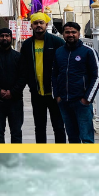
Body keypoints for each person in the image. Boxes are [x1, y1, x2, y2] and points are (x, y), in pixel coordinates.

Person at [53, 20, 99, 144]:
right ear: (63, 34)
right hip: (64, 101)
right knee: (72, 137)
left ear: (79, 34)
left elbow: (97, 76)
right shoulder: (59, 52)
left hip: (81, 102)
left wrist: (87, 99)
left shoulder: (88, 52)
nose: (70, 35)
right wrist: (57, 96)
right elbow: (54, 74)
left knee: (86, 138)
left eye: (73, 32)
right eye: (67, 32)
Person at [19, 12, 66, 143]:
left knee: (58, 126)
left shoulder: (57, 42)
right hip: (37, 92)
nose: (38, 25)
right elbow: (24, 67)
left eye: (41, 23)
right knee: (39, 126)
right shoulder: (27, 44)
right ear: (31, 26)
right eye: (35, 23)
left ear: (46, 24)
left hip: (54, 93)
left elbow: (64, 66)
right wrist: (30, 84)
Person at [0, 28, 25, 143]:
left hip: (15, 101)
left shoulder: (18, 57)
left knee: (16, 132)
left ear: (11, 38)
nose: (4, 38)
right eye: (2, 36)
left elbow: (23, 77)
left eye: (7, 36)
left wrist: (12, 92)